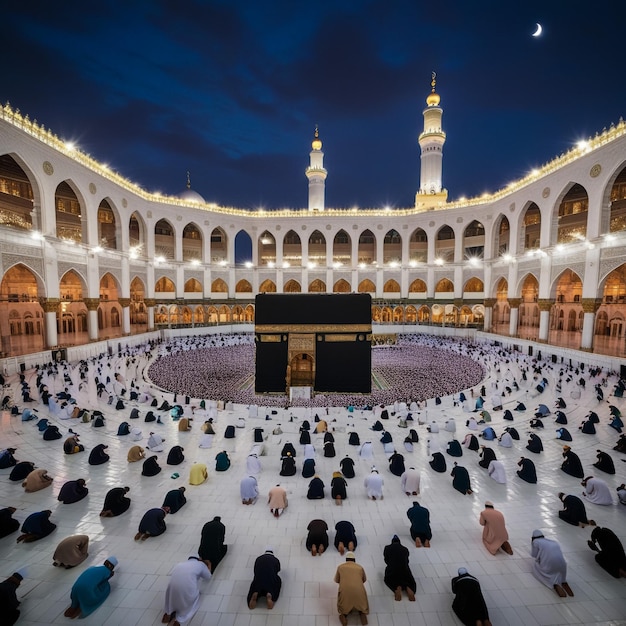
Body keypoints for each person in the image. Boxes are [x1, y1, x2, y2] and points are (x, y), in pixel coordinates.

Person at [162, 555, 212, 626]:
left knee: (171, 598)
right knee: (192, 600)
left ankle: (168, 613)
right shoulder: (200, 564)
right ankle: (178, 620)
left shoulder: (179, 564)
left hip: (171, 590)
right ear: (199, 559)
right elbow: (208, 576)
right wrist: (209, 564)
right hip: (186, 590)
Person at [530, 530, 573, 597]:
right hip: (563, 565)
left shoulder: (536, 542)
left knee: (535, 565)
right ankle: (563, 581)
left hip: (550, 566)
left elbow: (534, 555)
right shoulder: (554, 542)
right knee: (557, 570)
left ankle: (553, 583)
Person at [334, 551, 369, 626]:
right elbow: (364, 580)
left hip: (345, 594)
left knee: (343, 606)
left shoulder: (340, 567)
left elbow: (337, 580)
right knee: (362, 602)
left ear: (346, 560)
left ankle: (343, 616)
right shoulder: (360, 567)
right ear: (354, 560)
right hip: (359, 593)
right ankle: (362, 613)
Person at [383, 535, 416, 601]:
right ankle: (408, 587)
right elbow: (407, 561)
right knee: (410, 580)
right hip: (404, 570)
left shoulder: (387, 548)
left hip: (393, 570)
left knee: (388, 579)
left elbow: (386, 560)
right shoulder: (405, 549)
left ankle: (397, 587)